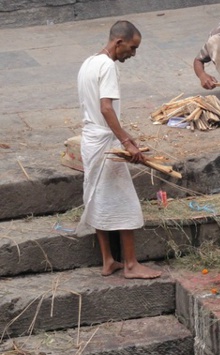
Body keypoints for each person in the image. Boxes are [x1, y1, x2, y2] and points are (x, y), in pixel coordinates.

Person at [76, 20, 162, 279]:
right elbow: (105, 108)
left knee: (97, 199)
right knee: (126, 203)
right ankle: (131, 265)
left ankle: (108, 261)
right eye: (132, 48)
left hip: (91, 139)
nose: (133, 54)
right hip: (105, 143)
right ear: (118, 42)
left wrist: (125, 136)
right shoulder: (107, 66)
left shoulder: (88, 62)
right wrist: (125, 141)